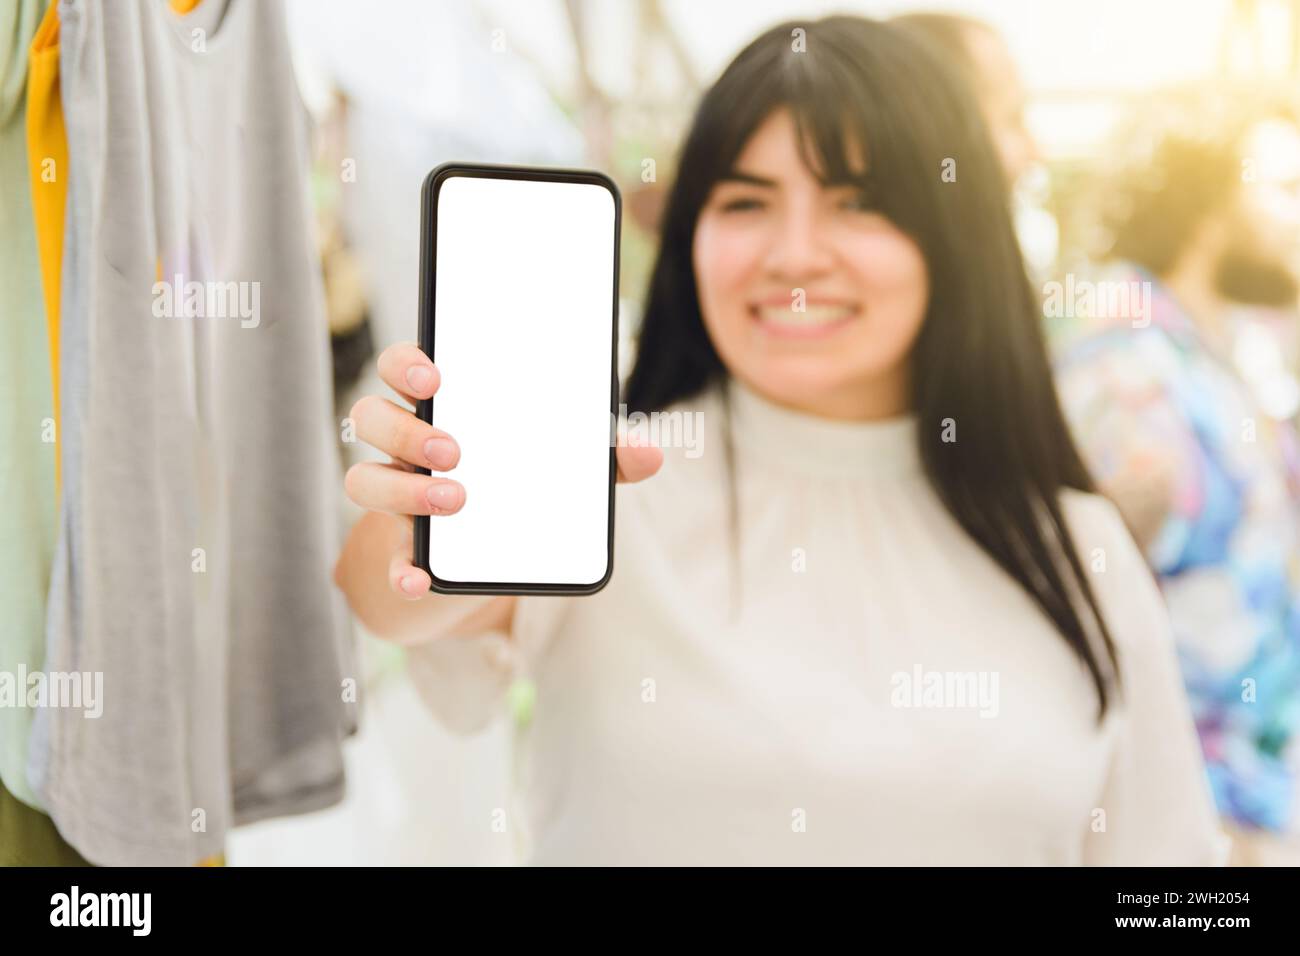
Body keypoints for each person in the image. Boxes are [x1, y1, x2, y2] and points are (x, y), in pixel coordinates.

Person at [335, 16, 1225, 865]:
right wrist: (423, 501)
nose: (795, 255)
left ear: (955, 236)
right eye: (747, 202)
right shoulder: (608, 488)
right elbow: (388, 603)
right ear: (691, 236)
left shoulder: (1077, 544)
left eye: (857, 203)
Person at [1052, 98, 1300, 863]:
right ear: (1209, 208)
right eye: (1285, 189)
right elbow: (1083, 603)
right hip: (1194, 824)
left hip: (1256, 801)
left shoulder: (1219, 350)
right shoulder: (1125, 365)